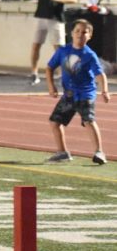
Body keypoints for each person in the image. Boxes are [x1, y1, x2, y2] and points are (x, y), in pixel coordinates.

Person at [44, 19, 109, 165]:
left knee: (88, 120)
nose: (80, 34)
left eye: (84, 32)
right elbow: (49, 68)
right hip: (69, 95)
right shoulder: (63, 51)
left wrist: (104, 90)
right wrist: (51, 86)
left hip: (85, 95)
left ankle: (99, 152)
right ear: (71, 34)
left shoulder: (89, 55)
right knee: (55, 122)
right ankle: (62, 152)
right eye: (77, 31)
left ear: (90, 36)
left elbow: (99, 74)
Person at [28, 0, 76, 86]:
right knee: (36, 45)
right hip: (41, 16)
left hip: (56, 18)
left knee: (59, 48)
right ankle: (34, 73)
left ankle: (62, 74)